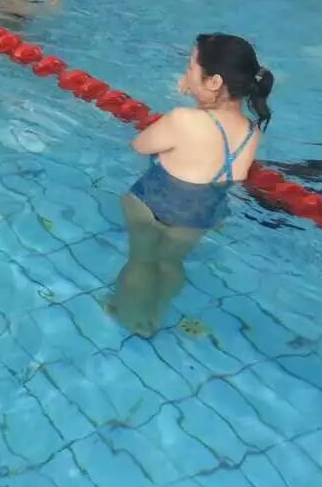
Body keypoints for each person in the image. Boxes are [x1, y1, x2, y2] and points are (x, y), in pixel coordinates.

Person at [113, 34, 274, 337]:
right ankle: (156, 313)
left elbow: (140, 145)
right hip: (203, 213)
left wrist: (192, 108)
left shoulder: (183, 119)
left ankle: (132, 319)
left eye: (190, 68)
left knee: (142, 260)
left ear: (214, 82)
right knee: (170, 262)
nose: (185, 76)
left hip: (154, 204)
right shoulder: (252, 133)